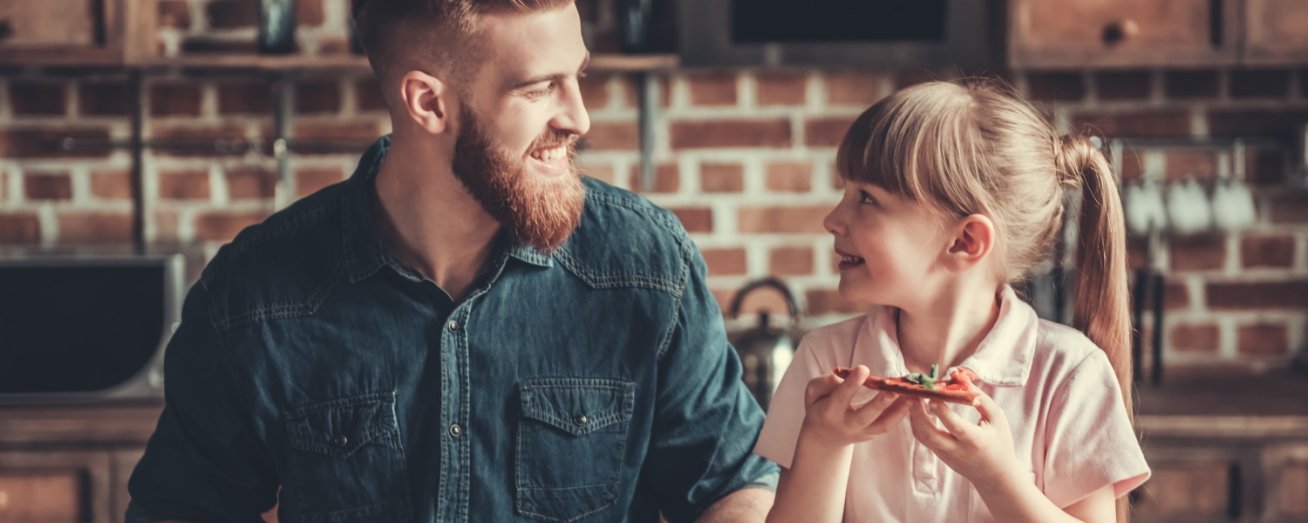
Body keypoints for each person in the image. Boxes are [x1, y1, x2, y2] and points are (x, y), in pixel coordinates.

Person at [125, 0, 777, 521]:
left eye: (577, 76)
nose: (579, 116)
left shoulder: (646, 263)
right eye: (539, 88)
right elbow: (181, 506)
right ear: (428, 102)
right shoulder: (253, 294)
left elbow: (734, 482)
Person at [755, 80, 1150, 523]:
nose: (833, 219)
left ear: (964, 241)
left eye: (867, 198)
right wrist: (823, 443)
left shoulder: (1069, 374)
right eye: (845, 192)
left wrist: (997, 476)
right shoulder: (824, 361)